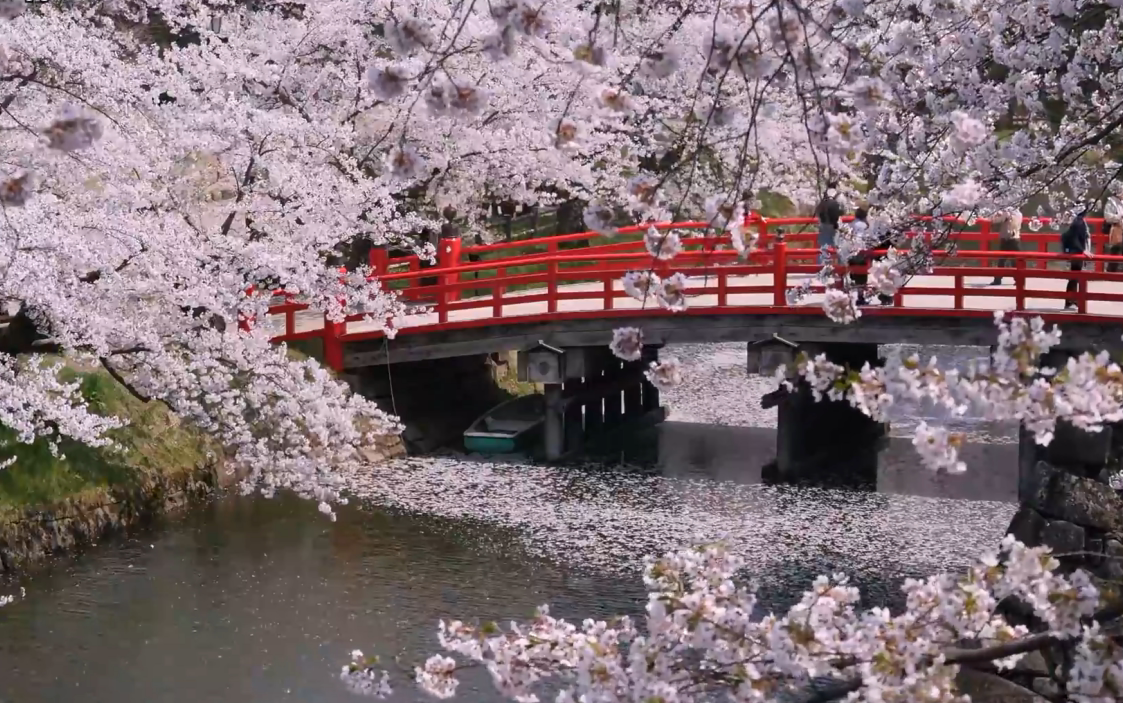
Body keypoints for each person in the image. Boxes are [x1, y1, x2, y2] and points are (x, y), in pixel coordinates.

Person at [1062, 207, 1092, 310]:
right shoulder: (1078, 222)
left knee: (1075, 276)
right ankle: (1071, 301)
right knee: (1074, 276)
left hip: (1077, 251)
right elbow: (1073, 238)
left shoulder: (1078, 221)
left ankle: (1072, 301)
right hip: (1076, 252)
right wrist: (1083, 250)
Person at [989, 208, 1023, 285]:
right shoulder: (1019, 214)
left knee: (1002, 260)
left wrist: (996, 215)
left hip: (1006, 238)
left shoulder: (1007, 213)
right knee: (1015, 261)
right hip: (1016, 238)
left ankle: (998, 279)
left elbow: (995, 220)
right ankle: (1018, 280)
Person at [815, 182, 842, 265]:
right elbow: (843, 208)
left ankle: (821, 265)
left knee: (824, 244)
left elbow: (818, 210)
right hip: (835, 223)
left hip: (823, 223)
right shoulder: (839, 196)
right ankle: (840, 265)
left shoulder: (824, 196)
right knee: (838, 244)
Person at [1106, 188, 1123, 272]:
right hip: (1117, 228)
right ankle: (1111, 271)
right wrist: (1119, 217)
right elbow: (1107, 217)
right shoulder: (1111, 203)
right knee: (1115, 250)